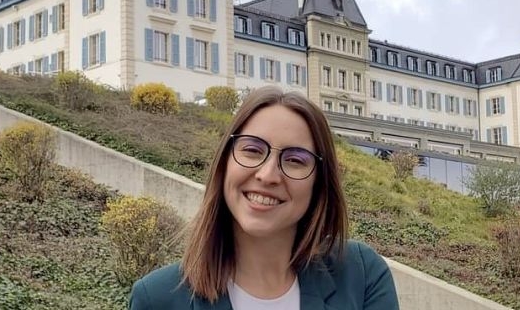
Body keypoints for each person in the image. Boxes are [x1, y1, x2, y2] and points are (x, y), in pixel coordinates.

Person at [130, 86, 399, 310]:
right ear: (225, 163)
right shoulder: (157, 299)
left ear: (319, 182)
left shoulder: (361, 276)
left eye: (294, 160)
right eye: (252, 150)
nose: (268, 175)